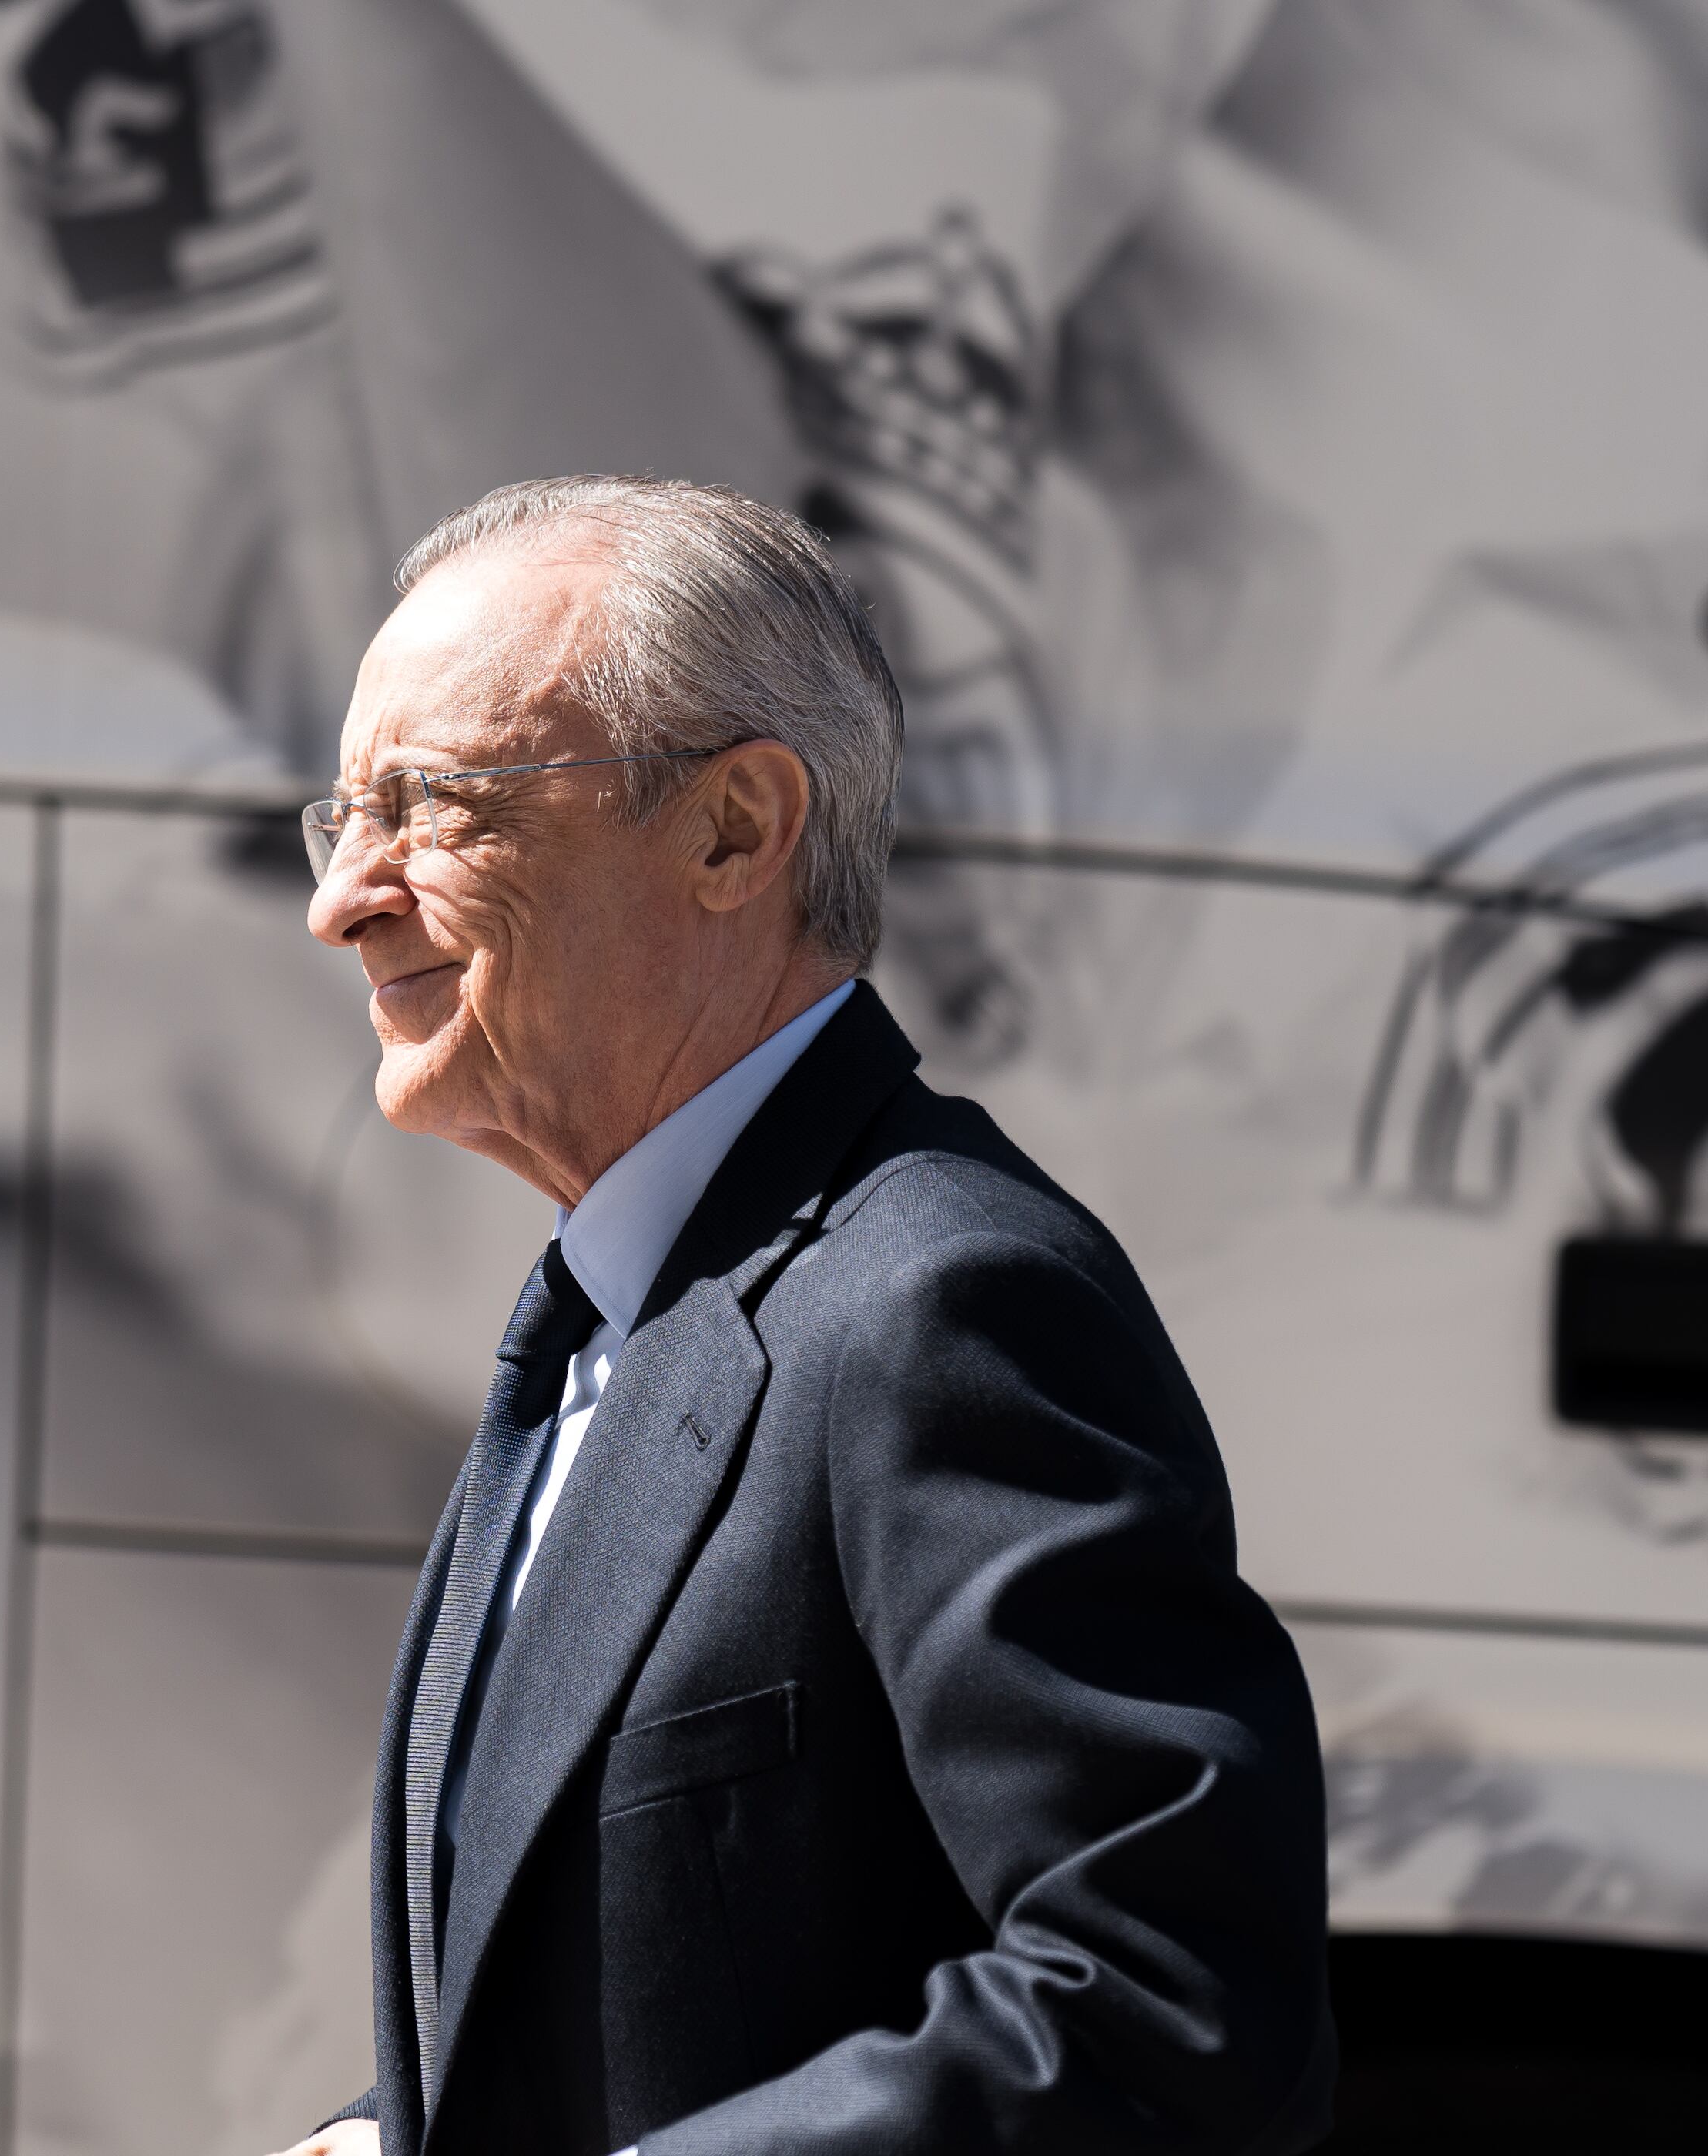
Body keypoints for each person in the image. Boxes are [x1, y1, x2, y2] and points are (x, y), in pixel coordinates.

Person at [280, 476, 1333, 2156]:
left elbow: (1167, 2007)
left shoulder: (944, 1302)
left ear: (733, 830)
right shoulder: (612, 1313)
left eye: (438, 806)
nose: (345, 898)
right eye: (344, 818)